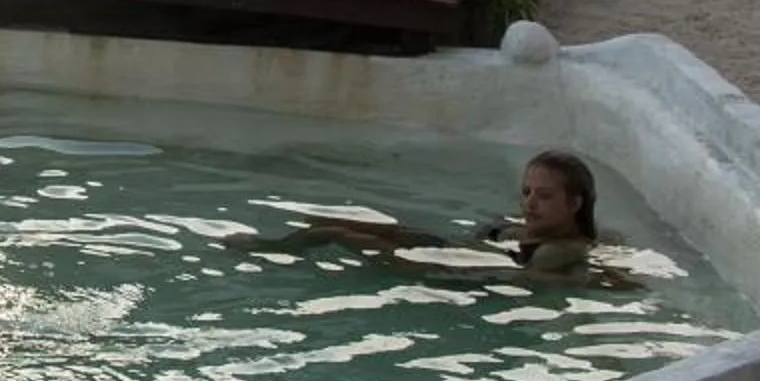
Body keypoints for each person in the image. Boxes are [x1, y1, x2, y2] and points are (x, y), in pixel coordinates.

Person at [230, 149, 603, 278]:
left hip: (446, 270)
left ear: (574, 204)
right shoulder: (530, 229)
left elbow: (544, 281)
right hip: (447, 247)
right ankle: (282, 244)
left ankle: (270, 249)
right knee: (343, 224)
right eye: (526, 192)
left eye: (545, 196)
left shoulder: (562, 251)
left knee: (334, 235)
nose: (530, 204)